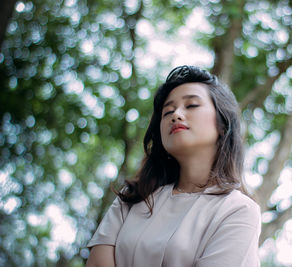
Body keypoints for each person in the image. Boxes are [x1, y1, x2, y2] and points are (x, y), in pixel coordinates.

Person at [86, 65, 261, 267]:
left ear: (222, 124)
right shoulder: (132, 197)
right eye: (167, 111)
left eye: (192, 105)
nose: (176, 115)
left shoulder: (238, 210)